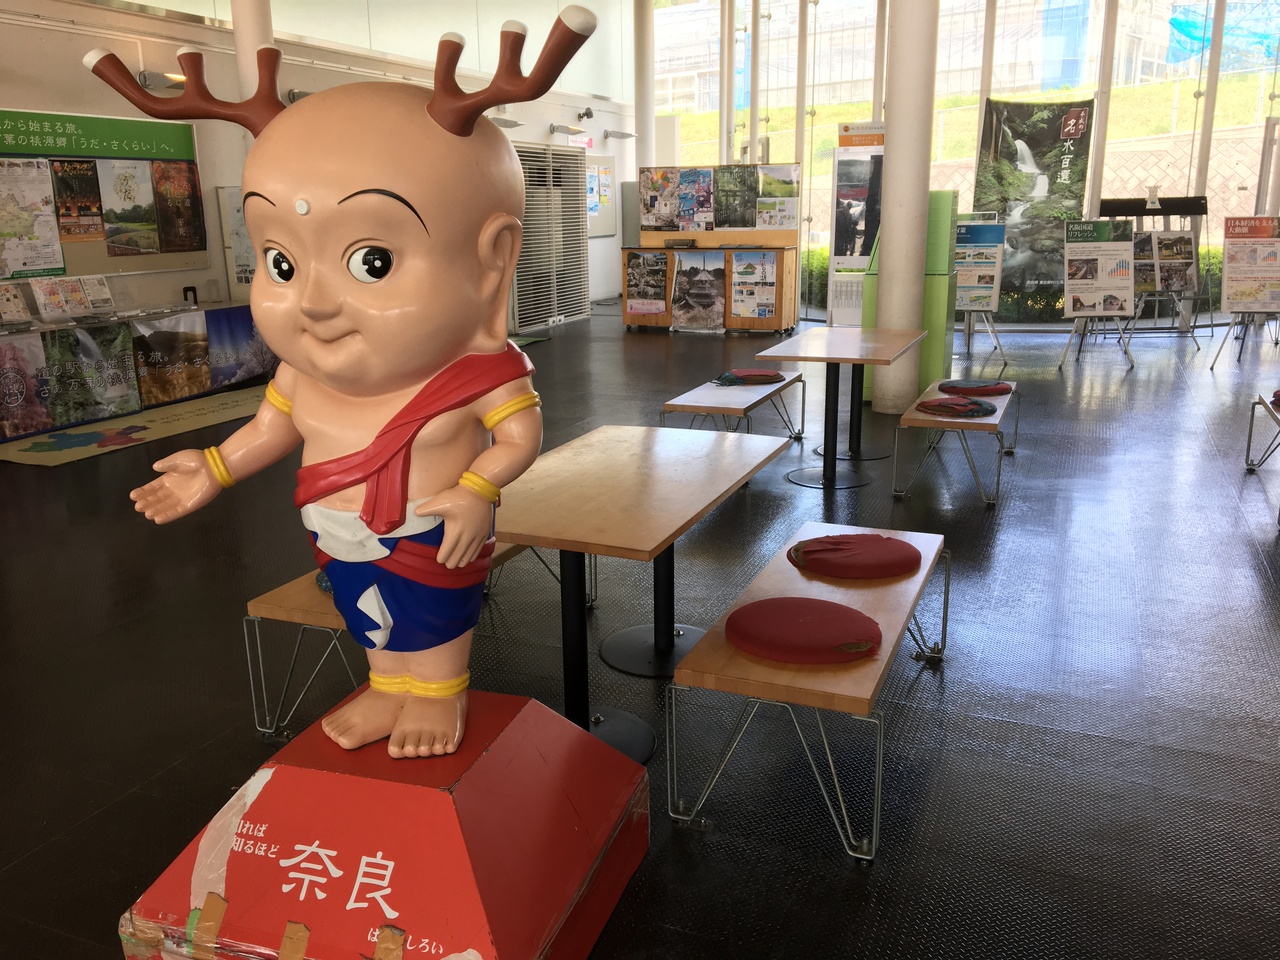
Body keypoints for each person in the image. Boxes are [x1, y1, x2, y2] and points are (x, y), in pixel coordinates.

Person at [86, 7, 597, 759]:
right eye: (282, 263)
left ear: (493, 262)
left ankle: (438, 691)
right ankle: (387, 686)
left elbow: (519, 436)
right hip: (335, 528)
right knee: (366, 611)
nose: (314, 302)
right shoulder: (301, 372)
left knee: (431, 610)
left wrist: (477, 488)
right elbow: (271, 428)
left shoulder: (476, 376)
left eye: (371, 262)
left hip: (431, 524)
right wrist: (216, 466)